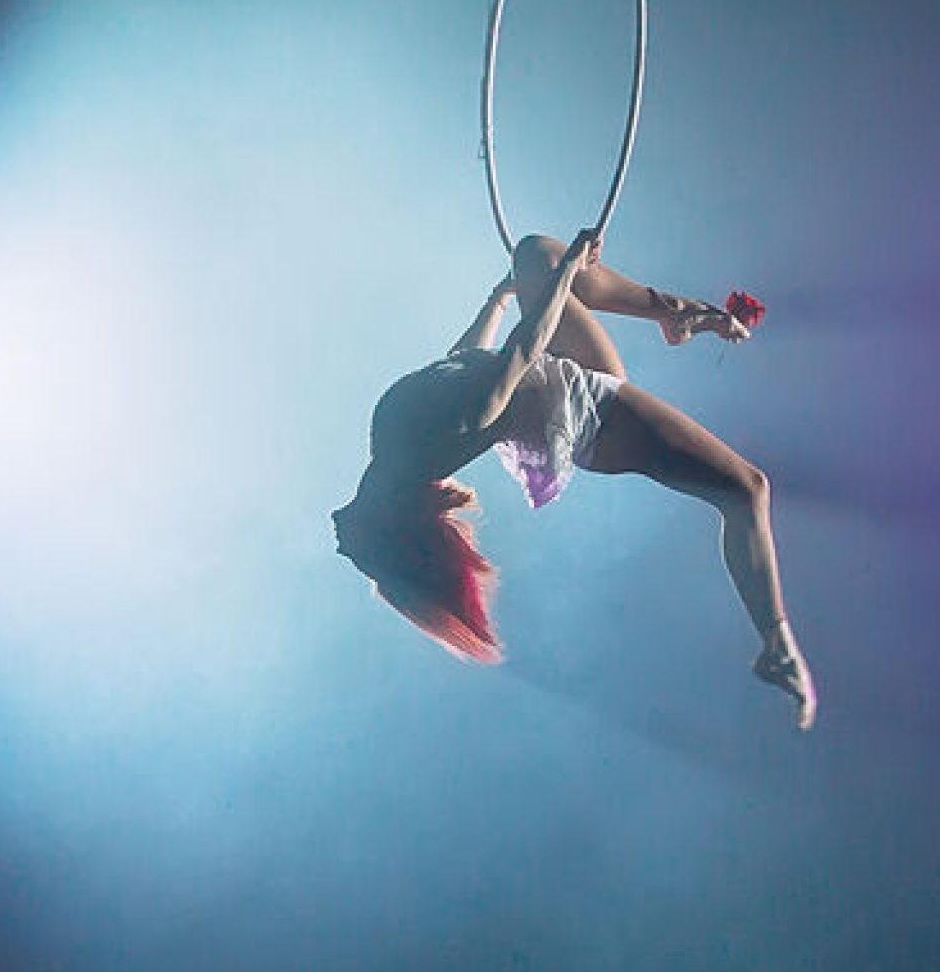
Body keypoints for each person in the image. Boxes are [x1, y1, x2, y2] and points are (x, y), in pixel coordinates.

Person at [332, 231, 817, 729]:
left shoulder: (390, 438)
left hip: (561, 378)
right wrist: (566, 273)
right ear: (382, 526)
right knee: (746, 489)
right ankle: (776, 644)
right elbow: (520, 352)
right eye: (358, 554)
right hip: (590, 420)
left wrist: (500, 298)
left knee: (534, 255)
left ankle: (676, 316)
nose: (339, 548)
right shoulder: (433, 445)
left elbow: (460, 362)